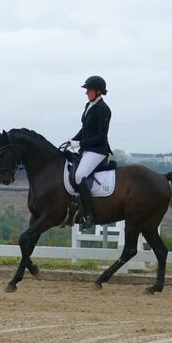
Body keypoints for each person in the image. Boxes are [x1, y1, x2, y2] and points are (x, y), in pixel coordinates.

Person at [68, 75, 113, 229]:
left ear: (98, 91)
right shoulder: (89, 105)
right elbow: (85, 129)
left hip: (98, 150)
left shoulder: (104, 110)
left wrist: (79, 143)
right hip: (87, 148)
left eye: (89, 90)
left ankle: (89, 215)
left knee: (80, 175)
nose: (86, 92)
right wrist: (71, 141)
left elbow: (101, 137)